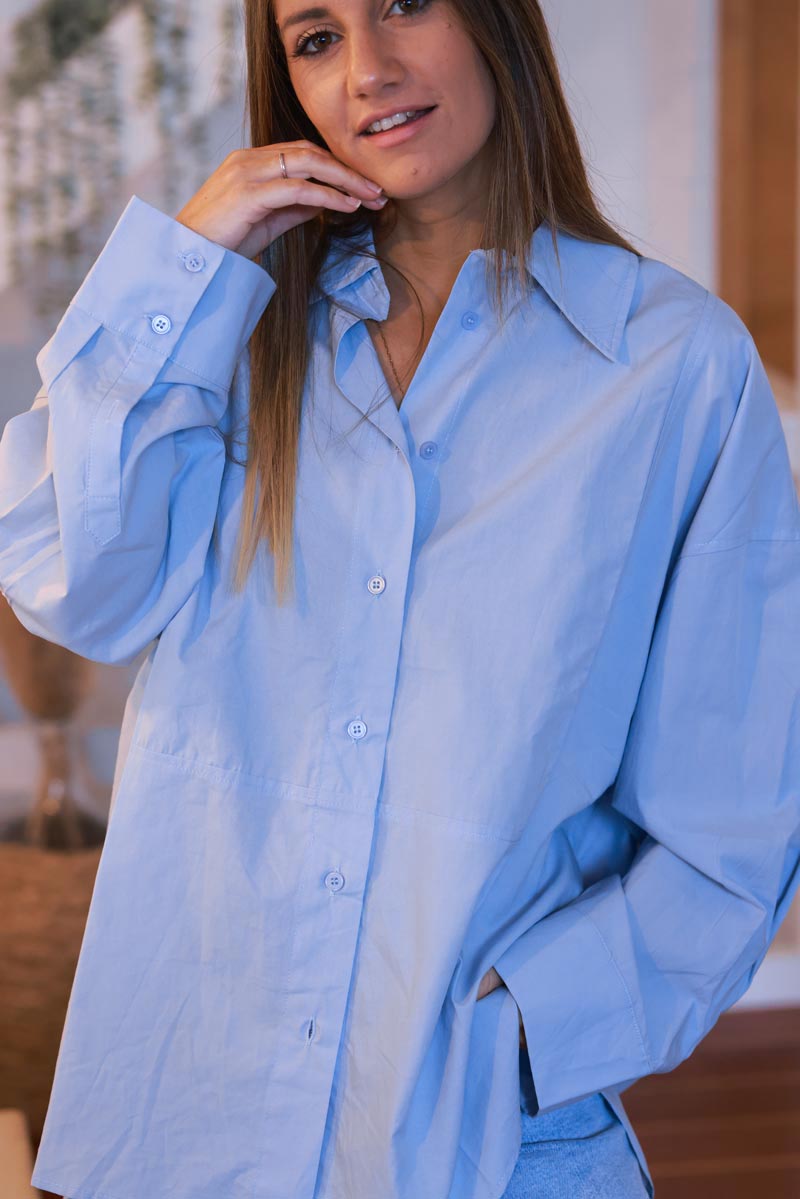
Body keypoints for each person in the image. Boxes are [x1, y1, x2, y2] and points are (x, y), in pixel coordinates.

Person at [2, 0, 800, 1196]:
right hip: (184, 1118)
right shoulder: (235, 333)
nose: (367, 70)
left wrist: (524, 1033)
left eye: (403, 5)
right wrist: (186, 259)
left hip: (490, 1141)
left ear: (495, 23)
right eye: (313, 38)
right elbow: (77, 585)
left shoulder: (674, 368)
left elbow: (732, 813)